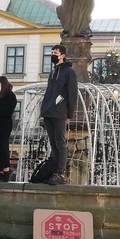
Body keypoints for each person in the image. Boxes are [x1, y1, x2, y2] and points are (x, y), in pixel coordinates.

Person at [41, 45, 78, 185]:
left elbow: (72, 94)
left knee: (60, 142)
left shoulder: (69, 72)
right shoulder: (53, 72)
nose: (52, 54)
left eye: (55, 52)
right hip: (48, 111)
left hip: (60, 111)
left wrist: (69, 114)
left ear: (62, 55)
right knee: (53, 142)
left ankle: (61, 172)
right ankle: (54, 170)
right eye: (52, 52)